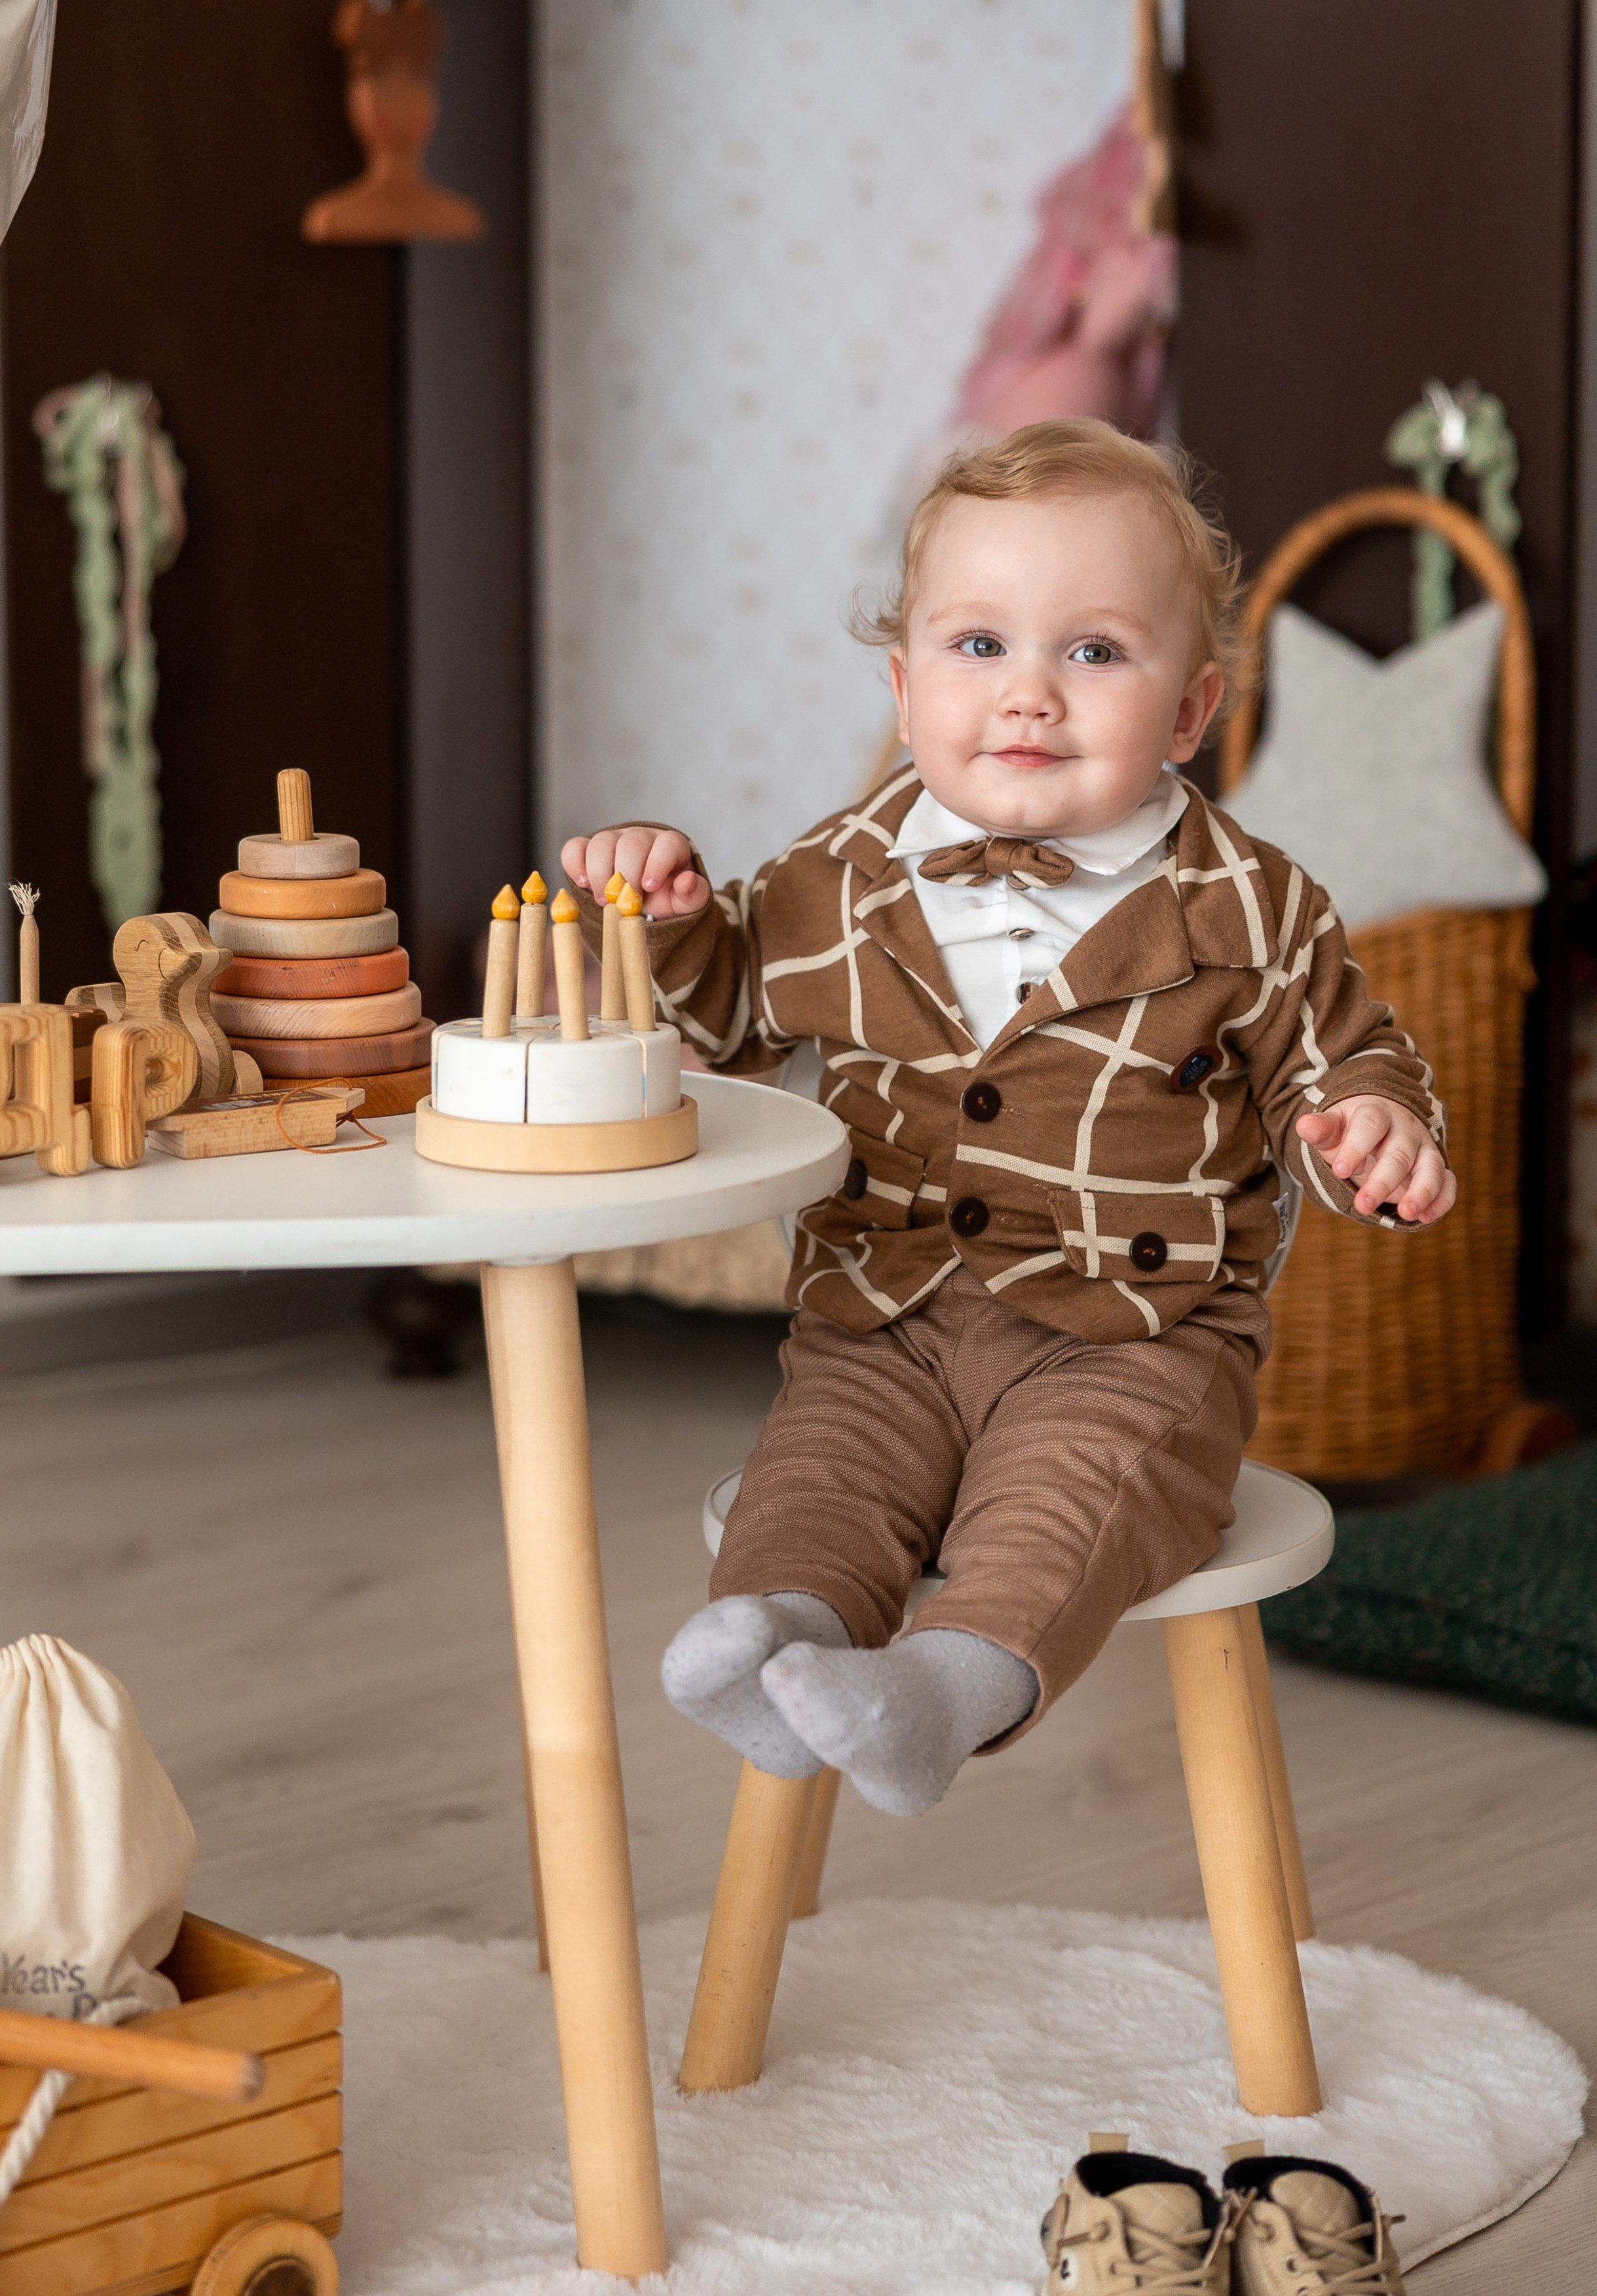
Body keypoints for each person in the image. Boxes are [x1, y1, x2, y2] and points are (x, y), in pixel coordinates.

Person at [563, 418, 1455, 1817]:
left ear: (1186, 712)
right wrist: (671, 919)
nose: (1028, 694)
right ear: (904, 684)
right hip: (883, 1309)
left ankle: (946, 1687)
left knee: (1075, 1500)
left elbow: (1344, 1053)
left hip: (1135, 1332)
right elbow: (726, 1009)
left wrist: (1366, 1124)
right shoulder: (839, 873)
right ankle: (779, 1635)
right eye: (979, 647)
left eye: (1091, 652)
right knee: (819, 1474)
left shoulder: (1246, 900)